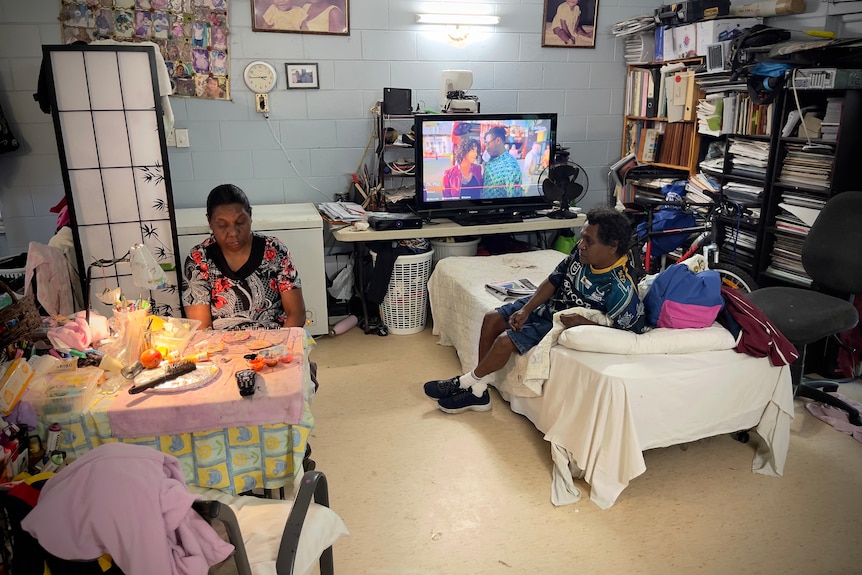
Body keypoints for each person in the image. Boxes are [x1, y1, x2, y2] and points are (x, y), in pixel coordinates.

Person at [423, 207, 647, 413]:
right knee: (492, 318)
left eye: (588, 241)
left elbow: (630, 331)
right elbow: (553, 280)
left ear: (612, 247)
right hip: (550, 304)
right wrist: (527, 309)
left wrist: (584, 324)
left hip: (559, 321)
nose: (581, 245)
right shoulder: (581, 256)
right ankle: (479, 392)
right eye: (581, 238)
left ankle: (465, 383)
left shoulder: (621, 287)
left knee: (504, 341)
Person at [182, 184, 307, 331]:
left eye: (240, 222)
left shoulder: (274, 250)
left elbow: (296, 314)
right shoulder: (199, 260)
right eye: (222, 225)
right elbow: (202, 328)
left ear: (250, 215)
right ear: (210, 222)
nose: (233, 232)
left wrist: (278, 349)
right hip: (221, 347)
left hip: (277, 343)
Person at [481, 126, 523, 198]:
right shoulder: (490, 159)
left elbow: (513, 198)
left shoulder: (510, 166)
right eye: (485, 144)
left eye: (488, 144)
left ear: (498, 140)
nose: (486, 148)